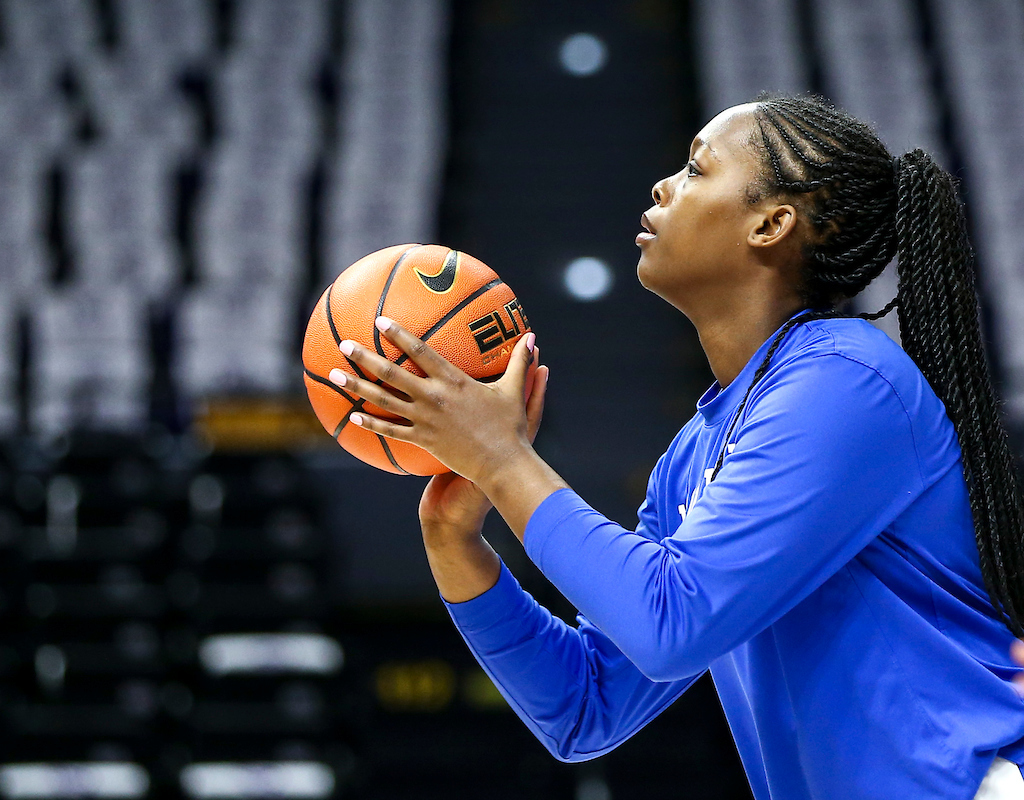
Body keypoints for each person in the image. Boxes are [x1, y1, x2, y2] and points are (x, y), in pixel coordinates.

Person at [326, 94, 1024, 799]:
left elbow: (672, 623)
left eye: (696, 169)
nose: (663, 186)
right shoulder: (694, 454)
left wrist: (502, 461)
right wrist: (453, 540)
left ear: (771, 224)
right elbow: (585, 705)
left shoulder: (847, 380)